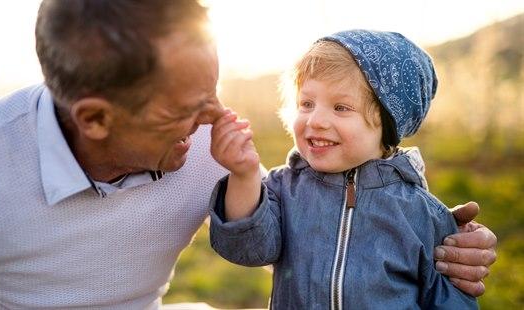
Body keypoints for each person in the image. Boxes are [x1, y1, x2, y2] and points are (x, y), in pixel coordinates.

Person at [0, 0, 494, 308]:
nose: (216, 116)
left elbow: (299, 227)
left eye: (213, 89)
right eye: (188, 107)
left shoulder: (210, 148)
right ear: (95, 119)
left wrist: (452, 247)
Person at [208, 30, 485, 308]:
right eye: (306, 104)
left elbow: (449, 300)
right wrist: (244, 175)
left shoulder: (422, 213)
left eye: (340, 107)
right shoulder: (283, 188)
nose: (315, 120)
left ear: (387, 123)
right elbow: (247, 248)